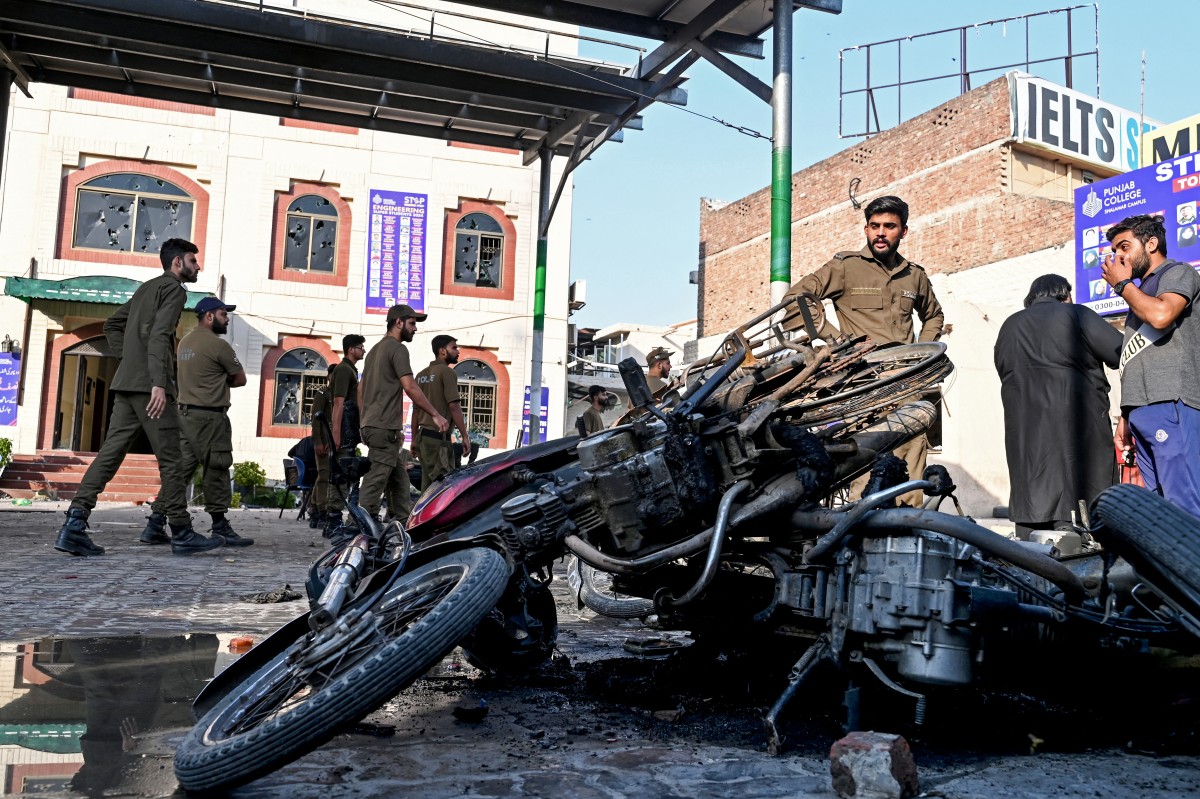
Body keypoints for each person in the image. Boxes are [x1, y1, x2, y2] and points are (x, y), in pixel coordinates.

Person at [54, 238, 224, 557]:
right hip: (150, 388)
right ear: (177, 263)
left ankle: (73, 527)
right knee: (173, 459)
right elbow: (160, 335)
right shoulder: (174, 290)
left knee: (110, 454)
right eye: (192, 261)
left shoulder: (146, 288)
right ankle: (183, 532)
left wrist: (128, 360)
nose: (197, 266)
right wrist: (158, 382)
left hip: (127, 385)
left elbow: (112, 325)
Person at [782, 195, 946, 506]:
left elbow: (934, 314)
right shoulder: (846, 268)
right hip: (863, 382)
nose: (881, 233)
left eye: (889, 226)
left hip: (906, 380)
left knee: (910, 463)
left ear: (904, 231)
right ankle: (860, 535)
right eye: (874, 226)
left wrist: (922, 354)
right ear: (866, 229)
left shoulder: (914, 275)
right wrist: (836, 342)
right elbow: (797, 298)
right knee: (864, 462)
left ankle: (907, 534)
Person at [994, 274, 1122, 536]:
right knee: (1080, 518)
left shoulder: (1008, 326)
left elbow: (1004, 371)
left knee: (1030, 536)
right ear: (1064, 294)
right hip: (1079, 431)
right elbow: (1120, 351)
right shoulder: (1076, 315)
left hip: (1025, 440)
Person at [1102, 214, 1200, 518]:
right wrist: (1125, 415)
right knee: (1159, 514)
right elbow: (1135, 360)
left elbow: (1161, 316)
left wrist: (1122, 285)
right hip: (1142, 411)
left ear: (1152, 243)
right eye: (1116, 249)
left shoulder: (1177, 272)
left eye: (1125, 246)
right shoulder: (1137, 294)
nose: (1118, 256)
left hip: (1172, 402)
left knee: (1184, 507)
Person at [168, 297, 253, 547]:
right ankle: (220, 525)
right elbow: (240, 379)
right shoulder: (219, 346)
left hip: (184, 415)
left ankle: (155, 522)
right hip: (210, 417)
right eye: (223, 314)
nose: (227, 319)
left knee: (180, 471)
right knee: (217, 467)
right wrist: (220, 382)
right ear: (209, 316)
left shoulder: (184, 343)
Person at [358, 304, 449, 522]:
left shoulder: (373, 351)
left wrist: (364, 421)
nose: (415, 329)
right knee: (376, 478)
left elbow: (360, 389)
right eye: (412, 323)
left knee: (398, 478)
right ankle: (356, 525)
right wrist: (435, 414)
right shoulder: (398, 349)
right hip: (384, 426)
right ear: (398, 323)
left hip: (374, 425)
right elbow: (410, 386)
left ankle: (403, 521)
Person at [318, 335, 365, 532]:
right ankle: (333, 520)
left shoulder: (350, 370)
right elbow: (338, 402)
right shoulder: (344, 370)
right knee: (341, 474)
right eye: (361, 347)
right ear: (351, 350)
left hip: (349, 427)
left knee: (345, 472)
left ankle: (335, 518)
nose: (363, 350)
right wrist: (336, 434)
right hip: (344, 428)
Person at [413, 334, 472, 491]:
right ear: (442, 351)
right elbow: (454, 407)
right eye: (454, 347)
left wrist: (413, 440)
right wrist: (465, 436)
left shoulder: (420, 375)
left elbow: (415, 412)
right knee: (443, 488)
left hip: (423, 438)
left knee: (428, 487)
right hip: (438, 440)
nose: (457, 351)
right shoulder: (447, 373)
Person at [304, 363, 338, 530]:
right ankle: (319, 509)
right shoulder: (322, 394)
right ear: (328, 377)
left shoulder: (341, 395)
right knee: (324, 474)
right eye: (333, 375)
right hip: (324, 440)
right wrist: (318, 441)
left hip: (335, 441)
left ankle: (316, 506)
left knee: (328, 476)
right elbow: (316, 420)